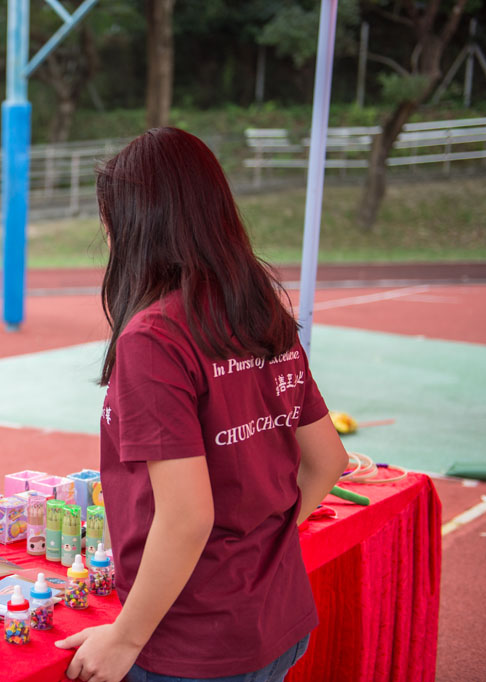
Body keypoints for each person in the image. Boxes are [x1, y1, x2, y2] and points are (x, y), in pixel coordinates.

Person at [55, 128, 349, 682]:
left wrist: (125, 637)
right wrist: (257, 544)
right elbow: (328, 460)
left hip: (193, 644)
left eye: (109, 221)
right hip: (275, 616)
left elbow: (189, 517)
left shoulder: (154, 337)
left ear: (135, 224)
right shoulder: (261, 310)